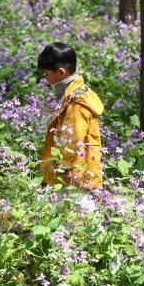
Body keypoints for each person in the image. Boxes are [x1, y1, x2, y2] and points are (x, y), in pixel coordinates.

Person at [37, 42, 104, 191]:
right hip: (76, 169)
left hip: (74, 175)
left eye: (47, 74)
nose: (45, 78)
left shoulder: (76, 103)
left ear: (61, 72)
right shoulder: (74, 93)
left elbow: (74, 137)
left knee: (77, 210)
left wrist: (63, 168)